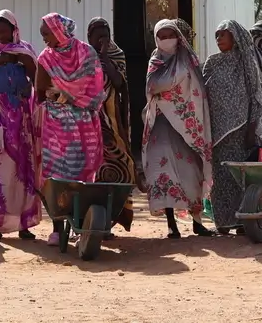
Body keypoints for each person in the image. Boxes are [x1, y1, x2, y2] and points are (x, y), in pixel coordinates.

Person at [35, 13, 107, 246]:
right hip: (68, 125)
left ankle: (69, 228)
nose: (43, 38)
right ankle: (65, 227)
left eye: (46, 33)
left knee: (71, 175)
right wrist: (70, 97)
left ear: (59, 31)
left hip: (72, 125)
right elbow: (39, 90)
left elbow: (39, 91)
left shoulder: (81, 55)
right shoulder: (51, 57)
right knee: (66, 175)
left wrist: (61, 95)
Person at [142, 19, 216, 238]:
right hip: (162, 124)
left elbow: (197, 90)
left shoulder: (189, 59)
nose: (166, 40)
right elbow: (153, 86)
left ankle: (197, 221)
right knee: (162, 172)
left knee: (191, 172)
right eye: (161, 36)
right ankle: (171, 224)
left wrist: (171, 84)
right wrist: (173, 80)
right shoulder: (155, 60)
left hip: (188, 126)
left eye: (169, 35)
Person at [0, 10, 40, 240]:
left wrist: (23, 61)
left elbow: (37, 80)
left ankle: (23, 224)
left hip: (21, 120)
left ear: (14, 29)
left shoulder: (26, 50)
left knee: (22, 169)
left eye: (4, 31)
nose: (0, 36)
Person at [203, 19, 262, 234]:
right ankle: (222, 222)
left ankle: (241, 220)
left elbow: (255, 97)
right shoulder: (212, 62)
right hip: (217, 131)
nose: (219, 39)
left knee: (239, 175)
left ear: (235, 37)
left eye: (223, 34)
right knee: (220, 177)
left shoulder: (247, 63)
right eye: (217, 35)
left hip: (241, 132)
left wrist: (251, 128)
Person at [86, 17, 135, 234]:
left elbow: (119, 83)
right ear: (89, 37)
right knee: (94, 170)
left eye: (104, 34)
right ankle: (97, 221)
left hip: (113, 119)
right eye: (96, 35)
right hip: (89, 119)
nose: (101, 39)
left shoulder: (116, 54)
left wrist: (105, 56)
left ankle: (114, 216)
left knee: (120, 165)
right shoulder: (83, 55)